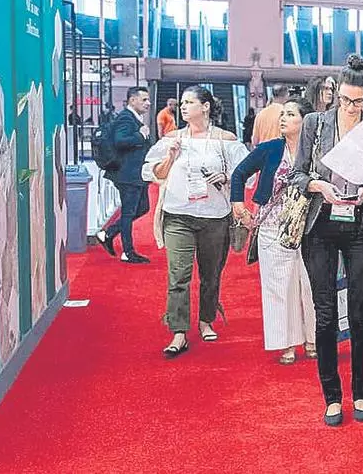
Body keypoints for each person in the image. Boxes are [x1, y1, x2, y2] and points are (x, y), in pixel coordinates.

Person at [288, 55, 363, 427]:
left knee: (359, 314)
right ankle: (332, 396)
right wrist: (318, 185)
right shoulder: (315, 123)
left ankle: (360, 392)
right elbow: (297, 174)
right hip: (320, 225)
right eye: (344, 99)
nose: (349, 106)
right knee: (326, 314)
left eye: (357, 101)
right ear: (335, 93)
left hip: (360, 225)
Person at [143, 86, 249, 358]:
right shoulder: (172, 139)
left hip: (214, 217)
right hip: (178, 214)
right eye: (182, 103)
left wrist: (226, 177)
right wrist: (170, 157)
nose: (183, 107)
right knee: (178, 274)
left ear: (206, 106)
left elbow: (246, 174)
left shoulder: (225, 140)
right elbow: (154, 174)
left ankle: (206, 319)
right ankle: (178, 331)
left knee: (211, 275)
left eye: (189, 102)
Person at [231, 99, 318, 365]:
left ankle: (314, 339)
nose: (283, 119)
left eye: (290, 114)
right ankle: (286, 343)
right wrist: (238, 204)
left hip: (311, 227)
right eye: (282, 114)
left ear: (305, 121)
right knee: (279, 287)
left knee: (312, 285)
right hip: (272, 227)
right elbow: (239, 173)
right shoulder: (270, 148)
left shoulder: (317, 151)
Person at [97, 86, 153, 264]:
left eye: (148, 99)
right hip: (127, 174)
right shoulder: (126, 118)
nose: (148, 103)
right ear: (132, 100)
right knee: (129, 212)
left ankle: (109, 233)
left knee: (142, 208)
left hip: (136, 174)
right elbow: (120, 141)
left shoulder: (134, 118)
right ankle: (128, 252)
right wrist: (140, 136)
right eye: (144, 99)